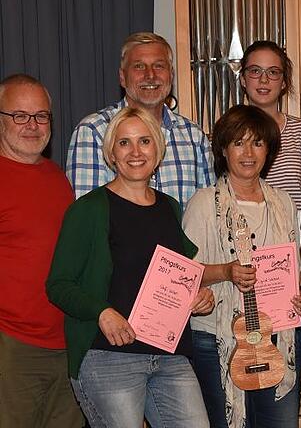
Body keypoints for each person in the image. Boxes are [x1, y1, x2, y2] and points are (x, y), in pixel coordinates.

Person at [46, 106, 214, 427]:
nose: (135, 152)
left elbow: (178, 276)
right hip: (108, 356)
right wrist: (102, 311)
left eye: (144, 141)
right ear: (111, 153)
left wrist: (199, 295)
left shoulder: (170, 208)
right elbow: (59, 284)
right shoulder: (89, 210)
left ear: (158, 148)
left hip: (170, 354)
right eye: (124, 143)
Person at [183, 105, 301, 428]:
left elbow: (294, 268)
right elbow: (185, 274)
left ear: (268, 151)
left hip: (276, 337)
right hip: (216, 339)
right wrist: (225, 271)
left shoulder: (283, 202)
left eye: (257, 143)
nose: (248, 152)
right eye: (238, 142)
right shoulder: (202, 203)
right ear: (224, 149)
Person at [0, 74, 83, 428]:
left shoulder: (57, 177)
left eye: (41, 116)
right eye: (20, 115)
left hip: (67, 344)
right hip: (13, 347)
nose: (32, 125)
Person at [67, 32, 213, 209]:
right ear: (122, 77)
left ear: (171, 75)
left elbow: (207, 215)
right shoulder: (94, 131)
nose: (150, 75)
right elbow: (89, 217)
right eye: (139, 66)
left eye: (159, 66)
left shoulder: (194, 137)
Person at [240, 40, 301, 211]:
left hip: (292, 231)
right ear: (243, 79)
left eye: (273, 72)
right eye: (255, 71)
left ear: (284, 82)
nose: (264, 80)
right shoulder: (230, 131)